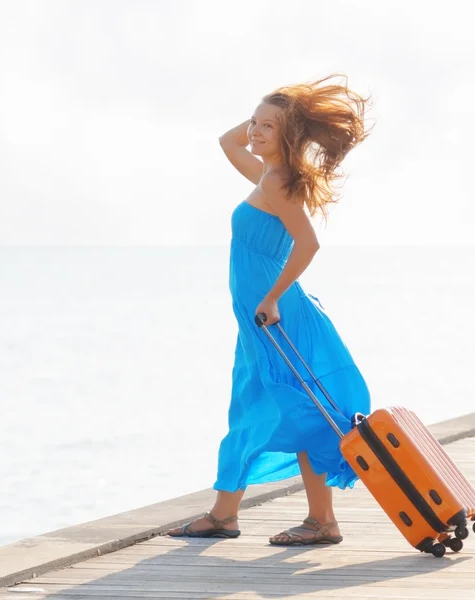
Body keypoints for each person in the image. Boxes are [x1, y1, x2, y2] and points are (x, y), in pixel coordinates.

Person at [168, 74, 372, 545]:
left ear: (290, 135)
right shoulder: (268, 175)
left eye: (266, 127)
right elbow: (226, 140)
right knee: (259, 406)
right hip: (259, 323)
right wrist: (270, 119)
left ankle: (315, 520)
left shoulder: (278, 180)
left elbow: (309, 243)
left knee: (292, 411)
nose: (254, 133)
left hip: (275, 318)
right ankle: (231, 515)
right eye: (254, 123)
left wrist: (272, 296)